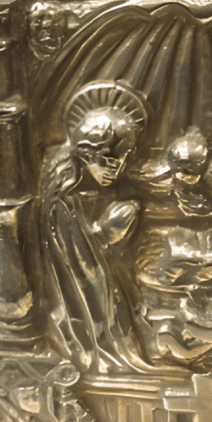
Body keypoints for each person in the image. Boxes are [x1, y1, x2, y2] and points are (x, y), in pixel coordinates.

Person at [40, 80, 150, 374]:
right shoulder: (61, 199)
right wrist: (104, 232)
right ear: (87, 152)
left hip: (102, 287)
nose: (117, 169)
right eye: (110, 160)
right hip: (79, 312)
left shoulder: (92, 189)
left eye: (123, 160)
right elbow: (77, 268)